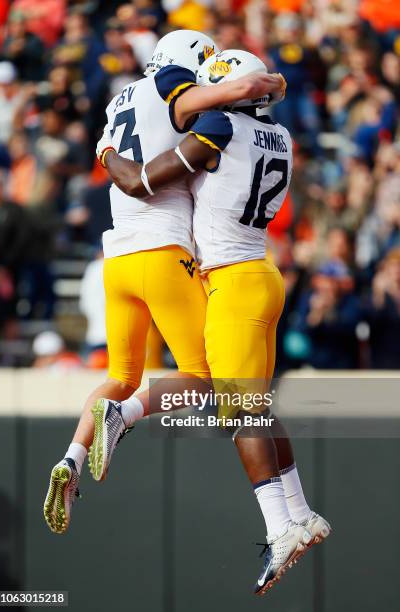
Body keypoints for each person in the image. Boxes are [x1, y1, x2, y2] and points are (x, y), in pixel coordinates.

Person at [94, 49, 330, 595]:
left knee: (238, 411)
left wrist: (109, 152)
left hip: (231, 279)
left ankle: (279, 527)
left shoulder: (220, 124)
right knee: (256, 404)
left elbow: (146, 181)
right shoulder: (283, 136)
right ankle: (300, 513)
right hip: (261, 272)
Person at [43, 30, 286, 535]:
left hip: (115, 262)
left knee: (120, 373)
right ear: (187, 65)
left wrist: (106, 155)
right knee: (205, 379)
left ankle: (71, 455)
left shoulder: (117, 100)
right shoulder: (175, 89)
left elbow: (115, 153)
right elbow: (230, 93)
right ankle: (126, 416)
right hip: (163, 253)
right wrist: (267, 83)